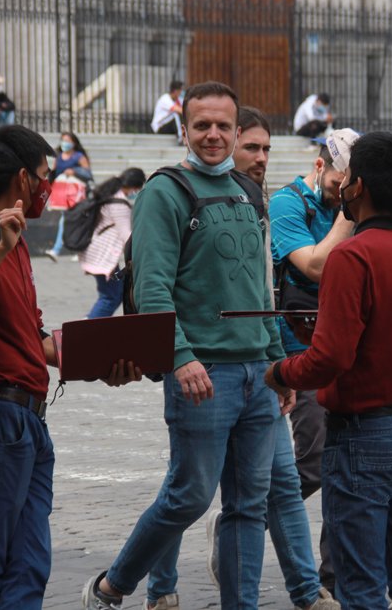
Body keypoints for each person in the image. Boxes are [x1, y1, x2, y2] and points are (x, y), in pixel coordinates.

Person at [81, 81, 285, 610]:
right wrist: (180, 357)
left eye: (223, 126)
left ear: (237, 130)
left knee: (248, 507)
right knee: (189, 496)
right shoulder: (163, 193)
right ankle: (112, 587)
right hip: (203, 373)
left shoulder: (248, 191)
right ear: (185, 130)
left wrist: (279, 360)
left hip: (257, 375)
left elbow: (260, 286)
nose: (213, 135)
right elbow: (152, 287)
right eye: (202, 125)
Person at [0, 125, 138, 609]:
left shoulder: (14, 240)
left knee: (31, 562)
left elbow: (35, 338)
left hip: (28, 421)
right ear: (23, 178)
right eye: (45, 175)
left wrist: (106, 360)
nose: (49, 186)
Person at [264, 131, 392, 610]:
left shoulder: (351, 257)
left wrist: (282, 372)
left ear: (356, 187)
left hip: (363, 434)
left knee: (360, 585)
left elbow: (330, 358)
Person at [194, 106, 343, 610]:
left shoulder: (256, 201)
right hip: (246, 360)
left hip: (286, 358)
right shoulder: (282, 204)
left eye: (266, 149)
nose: (260, 158)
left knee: (292, 478)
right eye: (251, 147)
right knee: (189, 491)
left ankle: (315, 587)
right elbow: (313, 268)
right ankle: (133, 584)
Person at [78, 168, 145, 319]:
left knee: (111, 293)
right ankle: (88, 327)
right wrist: (141, 250)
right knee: (110, 297)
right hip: (103, 254)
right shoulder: (119, 203)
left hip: (96, 251)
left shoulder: (110, 194)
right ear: (135, 186)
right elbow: (125, 234)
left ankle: (90, 322)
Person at [46, 132, 93, 262]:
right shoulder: (59, 157)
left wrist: (75, 171)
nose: (64, 143)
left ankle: (56, 250)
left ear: (74, 143)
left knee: (66, 220)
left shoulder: (79, 157)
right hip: (62, 194)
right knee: (71, 221)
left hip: (76, 194)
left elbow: (88, 174)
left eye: (67, 140)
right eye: (63, 140)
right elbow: (53, 174)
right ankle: (78, 250)